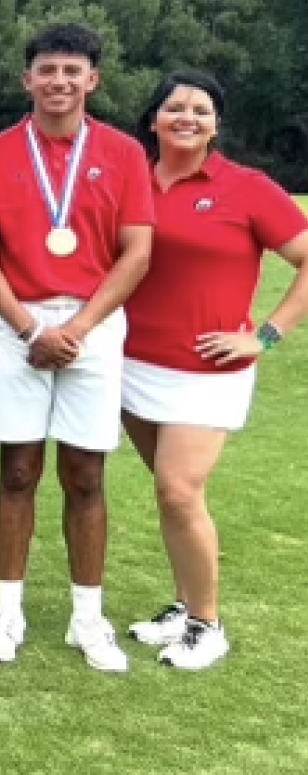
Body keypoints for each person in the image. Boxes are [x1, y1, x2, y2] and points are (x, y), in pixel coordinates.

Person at [0, 22, 154, 672]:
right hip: (20, 324)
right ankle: (7, 610)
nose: (59, 82)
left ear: (93, 80)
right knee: (17, 470)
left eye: (73, 71)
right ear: (28, 79)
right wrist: (29, 330)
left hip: (94, 326)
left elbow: (137, 251)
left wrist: (78, 328)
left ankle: (86, 618)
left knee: (86, 474)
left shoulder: (125, 153)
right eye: (48, 70)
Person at [119, 71, 308, 670]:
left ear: (216, 124)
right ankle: (184, 604)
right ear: (153, 119)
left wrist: (268, 335)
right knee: (169, 493)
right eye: (174, 108)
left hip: (208, 370)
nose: (187, 118)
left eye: (200, 110)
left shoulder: (246, 188)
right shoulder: (130, 181)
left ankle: (208, 624)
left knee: (179, 492)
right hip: (130, 364)